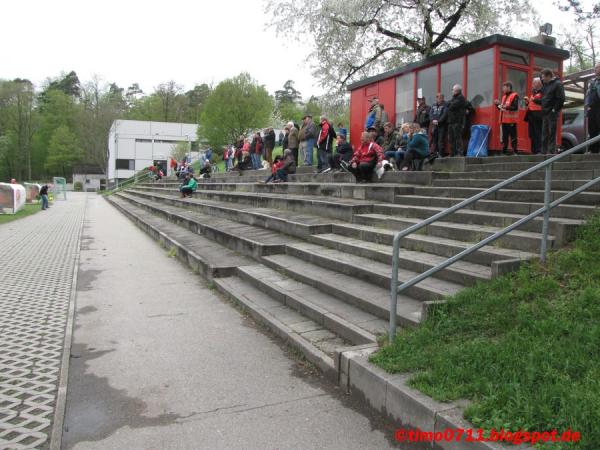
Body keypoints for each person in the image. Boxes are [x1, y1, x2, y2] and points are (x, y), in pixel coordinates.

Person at [540, 68, 565, 154]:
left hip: (552, 112)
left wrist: (554, 109)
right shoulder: (545, 85)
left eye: (543, 77)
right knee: (544, 133)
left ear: (549, 76)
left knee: (551, 133)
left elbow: (561, 98)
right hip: (545, 112)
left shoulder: (557, 84)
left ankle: (551, 151)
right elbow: (544, 99)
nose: (542, 79)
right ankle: (543, 151)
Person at [441, 84, 467, 157]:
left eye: (453, 90)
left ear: (457, 90)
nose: (452, 91)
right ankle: (452, 153)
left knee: (457, 138)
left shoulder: (461, 98)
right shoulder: (454, 98)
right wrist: (449, 103)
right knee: (451, 138)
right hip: (451, 121)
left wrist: (449, 104)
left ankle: (460, 153)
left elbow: (451, 106)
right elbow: (448, 104)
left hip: (457, 121)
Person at [494, 81, 519, 155]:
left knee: (513, 136)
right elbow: (501, 108)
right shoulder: (504, 97)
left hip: (511, 120)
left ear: (509, 87)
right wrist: (497, 104)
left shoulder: (515, 95)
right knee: (504, 137)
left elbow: (515, 107)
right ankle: (504, 151)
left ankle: (515, 151)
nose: (503, 89)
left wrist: (506, 107)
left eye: (504, 87)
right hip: (504, 120)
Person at [524, 77, 543, 154]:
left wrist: (533, 100)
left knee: (538, 133)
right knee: (531, 133)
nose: (532, 85)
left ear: (538, 84)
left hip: (538, 115)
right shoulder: (534, 92)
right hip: (531, 115)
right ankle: (533, 150)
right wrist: (528, 102)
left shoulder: (543, 91)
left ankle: (538, 150)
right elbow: (532, 103)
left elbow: (544, 101)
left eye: (533, 83)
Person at [585, 62, 600, 153]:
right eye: (595, 68)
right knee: (592, 129)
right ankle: (593, 150)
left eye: (597, 67)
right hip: (592, 108)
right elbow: (588, 95)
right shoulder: (592, 81)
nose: (595, 70)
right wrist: (587, 107)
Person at [430, 93, 448, 157]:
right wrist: (432, 120)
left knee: (441, 140)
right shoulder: (433, 105)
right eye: (437, 97)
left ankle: (440, 154)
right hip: (434, 125)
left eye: (440, 97)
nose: (438, 99)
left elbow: (445, 114)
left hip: (442, 125)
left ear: (443, 98)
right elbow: (431, 114)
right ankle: (435, 153)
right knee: (434, 140)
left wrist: (439, 121)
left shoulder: (445, 105)